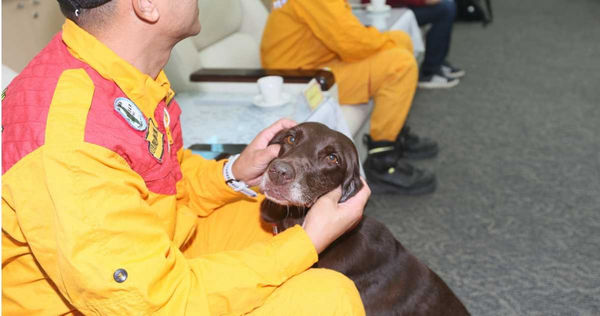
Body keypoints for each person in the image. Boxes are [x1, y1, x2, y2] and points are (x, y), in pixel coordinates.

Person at [1, 0, 370, 314]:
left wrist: (233, 172)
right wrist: (306, 242)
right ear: (145, 3)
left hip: (151, 249)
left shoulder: (118, 76)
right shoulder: (72, 143)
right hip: (124, 303)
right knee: (328, 296)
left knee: (258, 213)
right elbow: (157, 303)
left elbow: (162, 177)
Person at [261, 0, 438, 195]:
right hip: (302, 78)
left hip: (317, 61)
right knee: (400, 64)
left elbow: (345, 33)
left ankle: (395, 133)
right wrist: (390, 41)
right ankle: (382, 160)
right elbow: (350, 42)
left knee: (400, 43)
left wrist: (392, 40)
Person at [375, 0, 466, 88]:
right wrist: (422, 1)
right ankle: (429, 71)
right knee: (445, 9)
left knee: (448, 4)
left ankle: (438, 62)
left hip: (395, 5)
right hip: (383, 8)